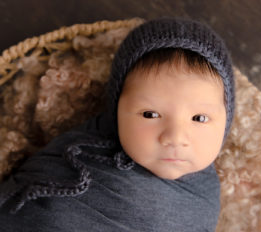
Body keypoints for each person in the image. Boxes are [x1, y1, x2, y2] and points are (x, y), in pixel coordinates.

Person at [0, 16, 235, 232]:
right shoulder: (79, 155)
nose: (175, 137)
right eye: (150, 115)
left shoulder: (202, 200)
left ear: (226, 121)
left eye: (200, 118)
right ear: (116, 110)